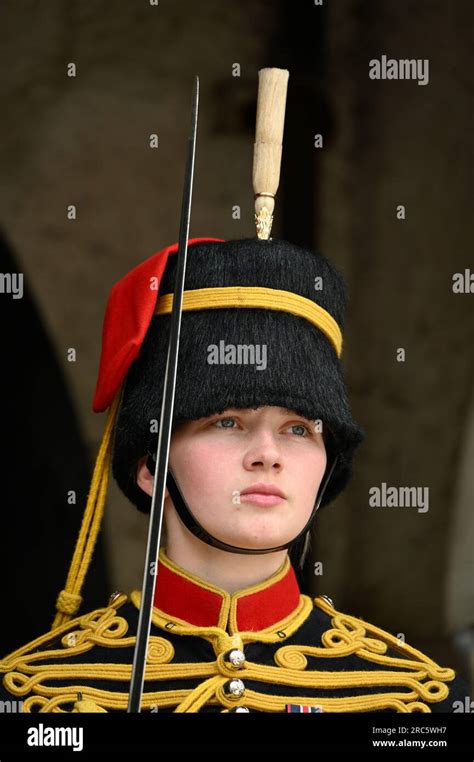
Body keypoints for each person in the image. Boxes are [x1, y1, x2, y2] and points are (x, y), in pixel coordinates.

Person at [0, 236, 468, 713]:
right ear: (150, 466)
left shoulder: (415, 700)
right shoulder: (37, 695)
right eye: (227, 422)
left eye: (298, 429)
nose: (268, 454)